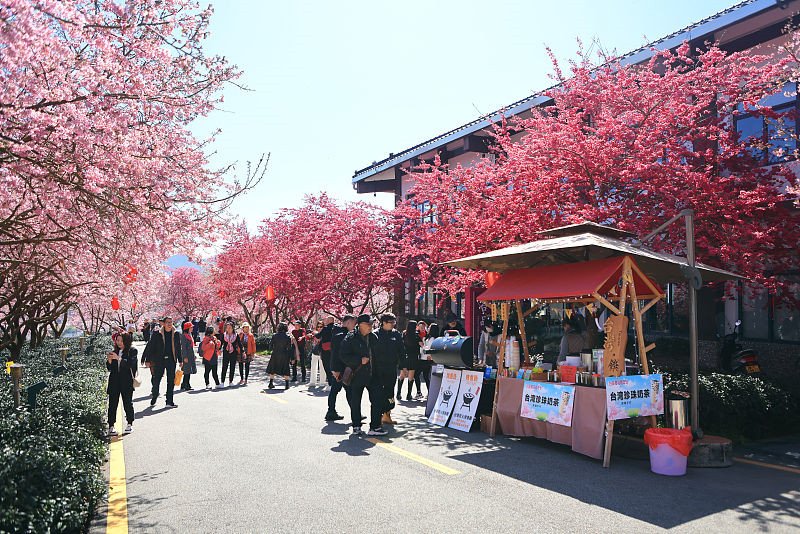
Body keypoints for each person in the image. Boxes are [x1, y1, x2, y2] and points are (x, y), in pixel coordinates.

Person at [339, 314, 385, 436]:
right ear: (360, 325)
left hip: (373, 374)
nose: (371, 326)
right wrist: (359, 360)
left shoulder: (374, 337)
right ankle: (356, 426)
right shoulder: (350, 337)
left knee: (377, 400)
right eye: (368, 324)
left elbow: (379, 355)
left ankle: (375, 427)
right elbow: (344, 356)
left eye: (371, 324)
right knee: (356, 401)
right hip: (357, 374)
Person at [373, 313, 405, 425]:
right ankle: (378, 416)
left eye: (394, 322)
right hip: (377, 369)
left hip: (391, 368)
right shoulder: (375, 334)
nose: (393, 324)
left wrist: (403, 367)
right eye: (391, 322)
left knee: (390, 392)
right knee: (378, 393)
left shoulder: (396, 334)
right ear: (384, 323)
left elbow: (401, 351)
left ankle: (387, 414)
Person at [142, 315, 181, 408]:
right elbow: (150, 347)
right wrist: (147, 360)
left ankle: (169, 401)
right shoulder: (157, 334)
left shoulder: (176, 334)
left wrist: (180, 359)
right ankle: (155, 395)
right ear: (163, 323)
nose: (169, 324)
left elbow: (178, 348)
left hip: (171, 360)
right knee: (156, 379)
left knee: (171, 381)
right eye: (167, 322)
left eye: (171, 322)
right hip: (159, 360)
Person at [325, 315, 355, 421]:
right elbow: (334, 354)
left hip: (345, 368)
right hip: (340, 369)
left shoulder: (345, 334)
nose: (354, 325)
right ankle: (331, 412)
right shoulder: (340, 335)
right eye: (353, 323)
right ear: (347, 323)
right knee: (338, 390)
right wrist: (335, 369)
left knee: (346, 390)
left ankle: (354, 413)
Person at [106, 332, 137, 435]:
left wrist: (118, 358)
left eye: (121, 340)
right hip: (114, 381)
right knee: (112, 404)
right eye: (117, 340)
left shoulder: (132, 351)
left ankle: (129, 423)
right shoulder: (114, 351)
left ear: (126, 341)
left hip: (126, 381)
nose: (119, 343)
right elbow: (109, 368)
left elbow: (131, 365)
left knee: (127, 403)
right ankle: (111, 425)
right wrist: (110, 361)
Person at [267, 323, 296, 390]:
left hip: (275, 354)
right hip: (285, 355)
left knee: (273, 368)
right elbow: (289, 348)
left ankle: (271, 383)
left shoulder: (274, 335)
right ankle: (286, 384)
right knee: (286, 369)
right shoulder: (288, 337)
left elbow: (270, 346)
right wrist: (292, 358)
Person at [399, 320, 421, 402]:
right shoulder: (416, 335)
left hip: (404, 356)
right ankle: (408, 394)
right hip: (413, 357)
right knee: (411, 376)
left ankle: (398, 393)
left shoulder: (404, 334)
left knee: (402, 375)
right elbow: (421, 344)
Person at [416, 323, 438, 398]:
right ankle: (429, 392)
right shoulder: (428, 337)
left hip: (426, 359)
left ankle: (421, 392)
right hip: (423, 358)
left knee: (418, 374)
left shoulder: (433, 339)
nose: (427, 329)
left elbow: (428, 349)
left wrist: (422, 346)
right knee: (426, 376)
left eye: (429, 328)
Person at [219, 322, 242, 387]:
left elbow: (239, 344)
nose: (228, 329)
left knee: (232, 367)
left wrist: (242, 352)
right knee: (224, 367)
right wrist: (219, 350)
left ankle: (230, 381)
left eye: (230, 328)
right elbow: (221, 344)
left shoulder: (236, 335)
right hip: (226, 352)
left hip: (233, 353)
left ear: (232, 328)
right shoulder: (224, 335)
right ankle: (222, 382)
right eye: (227, 328)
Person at [180, 321, 197, 391]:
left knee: (188, 370)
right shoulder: (184, 336)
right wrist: (185, 357)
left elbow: (191, 346)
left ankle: (184, 384)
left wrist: (194, 355)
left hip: (190, 354)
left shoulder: (189, 335)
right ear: (187, 328)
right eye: (191, 327)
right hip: (186, 355)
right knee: (187, 370)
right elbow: (183, 347)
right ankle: (186, 384)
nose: (192, 328)